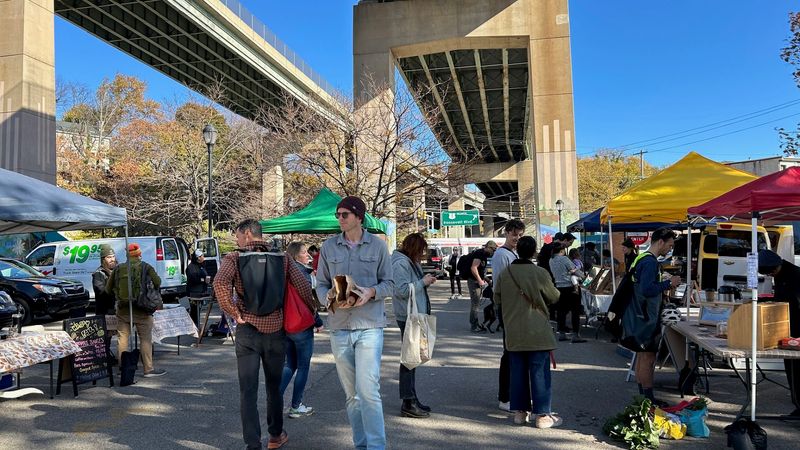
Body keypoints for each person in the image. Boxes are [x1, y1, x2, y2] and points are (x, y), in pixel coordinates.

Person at [213, 219, 314, 450]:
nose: (237, 240)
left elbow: (220, 284)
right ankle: (275, 436)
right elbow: (303, 287)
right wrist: (311, 313)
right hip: (276, 331)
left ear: (247, 234)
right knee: (273, 387)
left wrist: (234, 311)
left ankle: (252, 444)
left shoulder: (234, 258)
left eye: (238, 236)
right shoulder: (283, 258)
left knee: (247, 391)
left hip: (247, 331)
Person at [316, 196, 393, 450]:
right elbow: (322, 284)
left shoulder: (379, 247)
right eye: (337, 215)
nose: (339, 218)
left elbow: (390, 284)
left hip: (370, 325)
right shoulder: (328, 247)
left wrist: (371, 292)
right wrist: (327, 296)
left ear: (359, 217)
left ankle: (376, 447)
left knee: (369, 390)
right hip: (339, 327)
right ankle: (361, 445)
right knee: (352, 395)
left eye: (344, 214)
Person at [494, 236, 563, 428]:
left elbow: (497, 297)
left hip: (513, 331)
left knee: (517, 372)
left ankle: (520, 412)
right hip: (537, 330)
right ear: (533, 252)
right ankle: (542, 415)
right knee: (539, 372)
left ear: (518, 250)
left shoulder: (506, 273)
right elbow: (554, 296)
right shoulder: (540, 272)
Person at [622, 227, 680, 406]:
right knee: (648, 358)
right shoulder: (650, 262)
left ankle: (643, 398)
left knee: (641, 356)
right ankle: (648, 400)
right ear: (660, 242)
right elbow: (647, 289)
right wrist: (668, 283)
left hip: (639, 315)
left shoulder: (640, 258)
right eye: (669, 245)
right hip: (647, 317)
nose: (670, 249)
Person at [391, 233, 436, 419]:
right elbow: (401, 290)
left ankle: (412, 398)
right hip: (408, 316)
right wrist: (422, 282)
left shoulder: (408, 261)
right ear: (413, 248)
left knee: (413, 358)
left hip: (414, 315)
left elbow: (410, 286)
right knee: (409, 360)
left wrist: (423, 282)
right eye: (420, 250)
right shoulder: (401, 263)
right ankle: (408, 402)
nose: (422, 254)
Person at [106, 243, 165, 378]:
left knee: (123, 339)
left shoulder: (118, 268)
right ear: (139, 254)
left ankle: (123, 368)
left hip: (123, 310)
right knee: (145, 339)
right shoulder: (146, 266)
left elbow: (108, 289)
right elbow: (158, 282)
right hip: (142, 309)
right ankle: (148, 369)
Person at [280, 241, 324, 419]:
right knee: (303, 366)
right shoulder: (301, 274)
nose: (309, 255)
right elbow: (309, 302)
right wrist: (318, 321)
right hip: (302, 325)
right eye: (305, 252)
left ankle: (275, 399)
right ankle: (296, 406)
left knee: (289, 364)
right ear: (296, 256)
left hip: (286, 325)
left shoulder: (283, 272)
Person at [757, 249, 800, 417]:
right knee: (791, 368)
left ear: (774, 268)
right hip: (788, 327)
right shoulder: (783, 273)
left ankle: (799, 406)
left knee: (796, 368)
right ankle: (797, 403)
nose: (771, 275)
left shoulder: (795, 276)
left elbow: (791, 302)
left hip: (796, 328)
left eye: (771, 272)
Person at [491, 219, 525, 412]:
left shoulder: (513, 253)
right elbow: (499, 285)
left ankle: (510, 394)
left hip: (514, 308)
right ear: (506, 233)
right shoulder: (501, 255)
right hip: (507, 308)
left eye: (519, 235)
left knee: (513, 352)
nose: (516, 238)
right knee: (509, 353)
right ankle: (504, 396)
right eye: (514, 234)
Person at [550, 243, 587, 343]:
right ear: (562, 250)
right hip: (571, 287)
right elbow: (574, 270)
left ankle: (561, 333)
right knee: (575, 311)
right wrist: (583, 276)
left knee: (561, 311)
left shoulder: (551, 260)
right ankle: (575, 335)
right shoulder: (564, 259)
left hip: (559, 287)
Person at [460, 241, 498, 333]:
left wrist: (487, 280)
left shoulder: (483, 255)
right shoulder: (480, 253)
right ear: (488, 247)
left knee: (476, 304)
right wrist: (480, 280)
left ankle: (476, 324)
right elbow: (474, 268)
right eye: (493, 249)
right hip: (473, 281)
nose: (493, 252)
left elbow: (480, 271)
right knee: (475, 304)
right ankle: (474, 325)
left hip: (477, 280)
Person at [186, 249, 209, 325]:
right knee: (194, 310)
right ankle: (194, 326)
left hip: (201, 291)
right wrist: (203, 280)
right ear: (198, 257)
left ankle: (197, 325)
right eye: (202, 256)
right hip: (194, 292)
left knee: (198, 310)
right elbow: (193, 279)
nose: (203, 257)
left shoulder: (202, 266)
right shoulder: (191, 267)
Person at [92, 244, 117, 316]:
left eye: (113, 256)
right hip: (105, 312)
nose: (112, 259)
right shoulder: (98, 273)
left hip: (118, 312)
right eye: (109, 257)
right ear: (103, 259)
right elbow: (101, 291)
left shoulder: (118, 271)